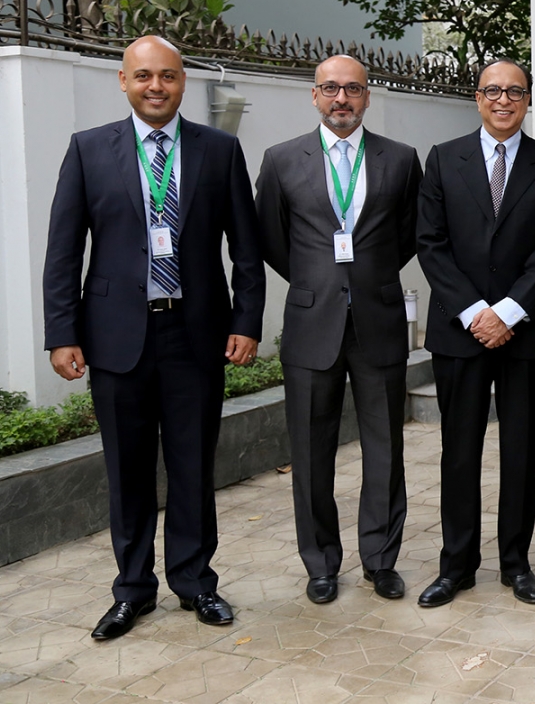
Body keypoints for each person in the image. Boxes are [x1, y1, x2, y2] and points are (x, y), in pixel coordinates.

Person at [43, 36, 266, 639]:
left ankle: (196, 582)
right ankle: (132, 590)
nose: (155, 87)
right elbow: (64, 249)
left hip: (196, 336)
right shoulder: (89, 150)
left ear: (183, 81)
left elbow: (245, 250)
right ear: (123, 82)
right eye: (143, 76)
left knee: (193, 467)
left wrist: (246, 321)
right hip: (117, 338)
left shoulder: (219, 151)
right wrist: (62, 332)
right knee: (128, 470)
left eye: (167, 76)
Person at [255, 55, 423, 605]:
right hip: (311, 322)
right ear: (314, 96)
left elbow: (408, 236)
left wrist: (364, 278)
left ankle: (381, 560)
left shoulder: (400, 160)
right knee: (310, 451)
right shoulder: (281, 161)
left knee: (385, 449)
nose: (341, 99)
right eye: (330, 89)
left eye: (352, 88)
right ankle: (321, 563)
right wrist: (317, 282)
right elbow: (272, 241)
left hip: (377, 319)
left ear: (368, 96)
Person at [416, 58, 535, 607]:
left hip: (525, 332)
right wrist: (474, 311)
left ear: (528, 99)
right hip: (460, 332)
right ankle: (455, 566)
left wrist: (507, 312)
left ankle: (516, 564)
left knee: (521, 451)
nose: (503, 100)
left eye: (514, 91)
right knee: (459, 450)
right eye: (492, 91)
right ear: (476, 98)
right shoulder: (442, 159)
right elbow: (430, 243)